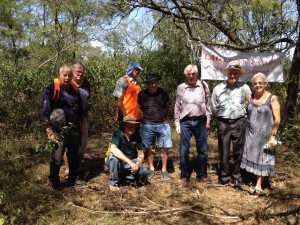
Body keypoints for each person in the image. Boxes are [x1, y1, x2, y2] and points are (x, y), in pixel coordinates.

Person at [41, 65, 85, 189]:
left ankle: (73, 178)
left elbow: (79, 108)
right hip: (58, 129)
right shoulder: (52, 88)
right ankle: (54, 180)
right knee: (57, 154)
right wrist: (49, 130)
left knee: (74, 154)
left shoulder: (74, 89)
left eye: (69, 76)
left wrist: (80, 126)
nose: (67, 78)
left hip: (74, 128)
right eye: (64, 75)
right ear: (59, 75)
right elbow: (45, 110)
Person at [211, 60, 251, 190]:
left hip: (239, 122)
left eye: (235, 73)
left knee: (239, 151)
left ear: (239, 75)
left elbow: (249, 103)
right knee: (223, 151)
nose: (232, 75)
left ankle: (237, 178)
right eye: (231, 73)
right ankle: (223, 177)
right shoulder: (218, 88)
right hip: (223, 122)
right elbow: (213, 105)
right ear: (227, 73)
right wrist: (220, 118)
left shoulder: (245, 88)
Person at [241, 73, 281, 196]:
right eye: (255, 83)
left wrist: (273, 136)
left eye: (260, 83)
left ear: (265, 84)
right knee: (253, 157)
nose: (258, 85)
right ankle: (253, 179)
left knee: (262, 158)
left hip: (265, 135)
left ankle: (258, 185)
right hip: (251, 134)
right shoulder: (250, 97)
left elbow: (277, 119)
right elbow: (246, 111)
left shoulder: (272, 98)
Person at [174, 64, 212, 187]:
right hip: (185, 122)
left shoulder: (204, 86)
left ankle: (202, 175)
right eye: (188, 74)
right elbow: (177, 106)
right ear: (185, 75)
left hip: (200, 121)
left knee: (202, 150)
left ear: (197, 74)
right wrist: (177, 124)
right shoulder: (181, 87)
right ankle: (185, 176)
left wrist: (208, 120)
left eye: (193, 73)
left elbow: (208, 104)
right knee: (184, 149)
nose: (191, 76)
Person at [138, 74, 172, 180]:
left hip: (163, 124)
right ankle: (152, 168)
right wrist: (144, 119)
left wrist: (165, 117)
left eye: (155, 82)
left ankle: (164, 169)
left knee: (165, 148)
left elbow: (168, 105)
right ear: (147, 84)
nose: (153, 84)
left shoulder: (163, 92)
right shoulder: (142, 94)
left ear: (158, 82)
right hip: (148, 124)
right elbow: (139, 107)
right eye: (151, 82)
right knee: (148, 147)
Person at [106, 115, 148, 191]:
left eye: (133, 125)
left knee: (144, 171)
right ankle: (113, 182)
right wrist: (130, 163)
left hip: (132, 161)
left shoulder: (137, 136)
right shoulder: (118, 134)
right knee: (113, 158)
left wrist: (137, 164)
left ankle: (121, 176)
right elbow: (114, 149)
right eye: (128, 125)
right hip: (119, 161)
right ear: (124, 126)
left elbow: (141, 154)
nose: (131, 127)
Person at [64, 63, 90, 176]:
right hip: (69, 117)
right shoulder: (67, 83)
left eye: (82, 72)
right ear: (73, 72)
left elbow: (88, 99)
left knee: (83, 142)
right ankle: (68, 167)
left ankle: (78, 164)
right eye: (77, 72)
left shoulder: (86, 83)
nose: (80, 74)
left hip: (83, 117)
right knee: (67, 143)